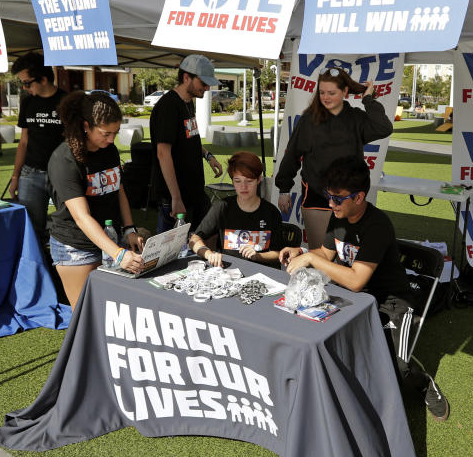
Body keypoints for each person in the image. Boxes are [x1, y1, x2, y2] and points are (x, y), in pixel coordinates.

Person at [280, 156, 450, 421]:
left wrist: (311, 259)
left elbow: (357, 280)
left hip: (391, 303)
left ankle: (424, 383)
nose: (330, 203)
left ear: (359, 198)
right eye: (328, 195)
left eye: (337, 198)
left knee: (398, 366)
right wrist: (302, 252)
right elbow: (325, 254)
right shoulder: (339, 216)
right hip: (354, 298)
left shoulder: (377, 225)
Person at [275, 67, 392, 249]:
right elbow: (292, 154)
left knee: (345, 256)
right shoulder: (309, 120)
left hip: (349, 197)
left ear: (345, 91)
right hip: (316, 194)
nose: (326, 97)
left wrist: (368, 100)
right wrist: (284, 189)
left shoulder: (356, 118)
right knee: (319, 253)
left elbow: (383, 128)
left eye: (331, 92)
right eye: (322, 92)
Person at [47, 91, 144, 308]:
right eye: (105, 133)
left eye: (115, 133)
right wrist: (118, 254)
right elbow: (81, 217)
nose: (111, 139)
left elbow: (118, 190)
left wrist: (129, 229)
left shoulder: (109, 151)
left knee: (112, 311)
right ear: (85, 126)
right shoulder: (64, 160)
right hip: (76, 245)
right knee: (85, 314)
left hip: (111, 238)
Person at [150, 54, 224, 233]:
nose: (207, 88)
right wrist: (175, 197)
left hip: (193, 191)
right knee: (168, 251)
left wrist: (208, 155)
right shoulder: (168, 107)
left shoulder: (188, 103)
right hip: (174, 197)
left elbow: (188, 140)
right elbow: (163, 153)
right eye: (203, 83)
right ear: (186, 78)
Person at [187, 151, 283, 267]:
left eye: (249, 181)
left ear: (259, 179)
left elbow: (279, 254)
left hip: (263, 275)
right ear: (232, 181)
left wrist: (258, 256)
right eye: (237, 181)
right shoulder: (222, 207)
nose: (243, 187)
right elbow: (194, 239)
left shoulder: (271, 212)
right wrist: (208, 254)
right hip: (229, 272)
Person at [10, 52, 66, 243]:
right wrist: (16, 176)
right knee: (32, 230)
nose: (25, 88)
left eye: (27, 83)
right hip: (30, 174)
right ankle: (37, 270)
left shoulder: (66, 102)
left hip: (62, 174)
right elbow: (23, 141)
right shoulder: (27, 102)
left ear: (43, 79)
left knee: (68, 226)